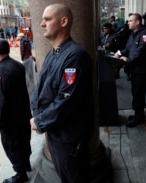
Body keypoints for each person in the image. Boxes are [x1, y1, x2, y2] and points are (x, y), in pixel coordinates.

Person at [30, 3, 94, 183]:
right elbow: (41, 87)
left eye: (47, 19)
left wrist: (39, 121)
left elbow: (66, 100)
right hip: (56, 133)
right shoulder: (53, 53)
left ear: (64, 21)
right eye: (42, 19)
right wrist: (37, 116)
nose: (42, 24)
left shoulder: (75, 56)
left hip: (69, 139)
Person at [0, 38, 32, 183]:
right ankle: (25, 165)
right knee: (24, 142)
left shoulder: (0, 72)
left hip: (10, 121)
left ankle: (20, 175)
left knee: (13, 147)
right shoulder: (17, 65)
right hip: (23, 115)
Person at [114, 13, 146, 128]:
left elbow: (140, 52)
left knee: (138, 94)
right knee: (135, 93)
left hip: (141, 70)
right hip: (134, 70)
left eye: (130, 21)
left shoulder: (144, 34)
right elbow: (129, 48)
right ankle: (138, 114)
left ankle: (138, 118)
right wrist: (120, 53)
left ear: (138, 22)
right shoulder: (133, 34)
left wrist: (128, 59)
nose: (128, 23)